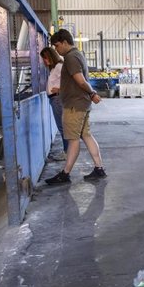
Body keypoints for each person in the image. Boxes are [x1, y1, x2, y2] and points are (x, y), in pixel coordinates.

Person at [45, 29, 105, 185]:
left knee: (73, 140)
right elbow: (76, 82)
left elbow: (80, 81)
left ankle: (65, 174)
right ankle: (99, 168)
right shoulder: (78, 54)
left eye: (57, 46)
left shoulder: (70, 57)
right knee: (86, 135)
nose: (56, 50)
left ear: (65, 42)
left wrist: (93, 93)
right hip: (82, 103)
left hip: (74, 106)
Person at [40, 46, 67, 160]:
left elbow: (70, 80)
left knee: (62, 127)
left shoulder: (59, 67)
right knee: (62, 127)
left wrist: (61, 89)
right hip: (54, 99)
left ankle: (67, 152)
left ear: (51, 56)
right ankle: (67, 151)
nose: (44, 61)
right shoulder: (54, 68)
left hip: (57, 99)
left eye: (45, 58)